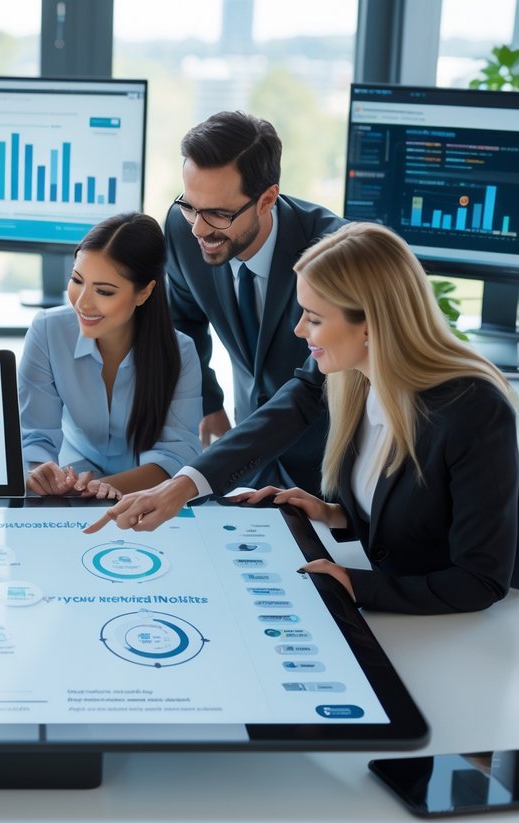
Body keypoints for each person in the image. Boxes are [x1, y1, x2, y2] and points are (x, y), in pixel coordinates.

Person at [92, 223, 518, 615]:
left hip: (466, 631)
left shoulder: (474, 410)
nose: (298, 330)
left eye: (313, 318)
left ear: (369, 326)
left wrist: (355, 585)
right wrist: (335, 513)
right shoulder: (354, 377)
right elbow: (417, 511)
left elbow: (479, 580)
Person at [166, 111, 343, 494]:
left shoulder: (333, 254)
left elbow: (312, 389)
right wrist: (208, 399)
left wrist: (190, 482)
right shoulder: (183, 229)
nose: (198, 227)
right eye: (190, 205)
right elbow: (182, 320)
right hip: (248, 468)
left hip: (329, 472)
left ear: (267, 199)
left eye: (217, 213)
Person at [19, 213, 202, 499]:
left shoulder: (181, 353)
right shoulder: (47, 331)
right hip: (74, 481)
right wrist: (42, 472)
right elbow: (35, 436)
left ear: (144, 293)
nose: (82, 303)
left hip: (146, 493)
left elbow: (176, 457)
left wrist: (107, 487)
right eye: (77, 280)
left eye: (104, 291)